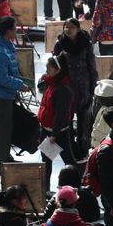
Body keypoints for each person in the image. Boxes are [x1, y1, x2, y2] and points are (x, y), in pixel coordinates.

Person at [0, 16, 29, 166]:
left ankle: (5, 156)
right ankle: (1, 161)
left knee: (5, 126)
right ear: (8, 31)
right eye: (14, 29)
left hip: (3, 93)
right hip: (0, 95)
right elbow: (2, 78)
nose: (17, 31)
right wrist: (19, 85)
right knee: (3, 129)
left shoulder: (3, 44)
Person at [36, 54, 77, 188]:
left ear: (57, 70)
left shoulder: (62, 90)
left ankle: (76, 185)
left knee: (68, 160)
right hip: (47, 130)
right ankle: (46, 189)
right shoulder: (51, 83)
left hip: (58, 133)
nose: (46, 72)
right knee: (46, 161)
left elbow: (60, 114)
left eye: (49, 69)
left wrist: (54, 134)